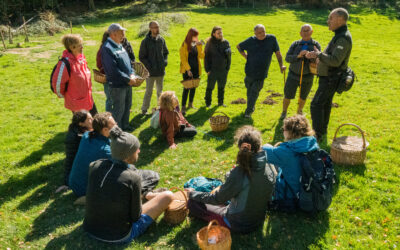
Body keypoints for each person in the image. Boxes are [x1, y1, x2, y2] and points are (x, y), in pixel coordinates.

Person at [83, 126, 173, 243]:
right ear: (127, 155)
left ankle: (147, 195)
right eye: (136, 149)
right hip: (119, 236)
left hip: (90, 228)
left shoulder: (94, 165)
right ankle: (147, 195)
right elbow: (136, 216)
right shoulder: (132, 177)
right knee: (168, 196)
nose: (139, 151)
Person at [187, 126, 276, 233]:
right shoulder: (269, 164)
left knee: (193, 203)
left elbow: (217, 199)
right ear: (259, 146)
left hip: (238, 223)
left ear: (240, 147)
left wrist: (192, 194)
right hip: (258, 220)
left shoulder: (239, 172)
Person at [307, 8, 353, 142]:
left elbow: (335, 61)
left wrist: (319, 55)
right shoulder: (339, 35)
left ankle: (317, 135)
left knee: (316, 104)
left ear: (340, 20)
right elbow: (331, 57)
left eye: (330, 18)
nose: (328, 21)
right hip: (329, 77)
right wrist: (319, 56)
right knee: (325, 104)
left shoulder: (343, 37)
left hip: (331, 78)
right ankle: (322, 131)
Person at [262, 115, 319, 209]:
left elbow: (264, 151)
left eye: (284, 129)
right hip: (310, 190)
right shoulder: (312, 142)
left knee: (264, 163)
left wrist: (266, 144)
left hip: (291, 196)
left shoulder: (287, 150)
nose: (283, 131)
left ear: (289, 132)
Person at [237, 24, 286, 118]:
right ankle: (251, 106)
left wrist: (281, 65)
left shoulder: (271, 39)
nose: (262, 34)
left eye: (263, 31)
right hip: (249, 70)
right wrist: (245, 56)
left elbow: (278, 53)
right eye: (259, 33)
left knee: (255, 91)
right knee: (250, 91)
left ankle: (248, 111)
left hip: (262, 72)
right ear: (255, 33)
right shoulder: (251, 40)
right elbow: (239, 46)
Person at [68, 112, 116, 197]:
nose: (116, 126)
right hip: (85, 190)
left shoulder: (86, 135)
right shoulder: (105, 151)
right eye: (114, 125)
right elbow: (124, 164)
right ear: (105, 130)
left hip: (75, 185)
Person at [101, 23, 138, 131]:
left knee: (127, 106)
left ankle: (125, 126)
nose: (123, 36)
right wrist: (128, 79)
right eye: (121, 33)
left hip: (127, 82)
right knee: (118, 109)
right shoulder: (107, 48)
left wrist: (132, 74)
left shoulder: (119, 45)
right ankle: (116, 131)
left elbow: (129, 62)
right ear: (113, 34)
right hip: (117, 86)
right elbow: (113, 70)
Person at [280, 24, 321, 119]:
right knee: (287, 95)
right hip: (293, 75)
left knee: (303, 96)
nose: (305, 32)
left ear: (312, 32)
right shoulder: (295, 44)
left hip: (308, 76)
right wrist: (298, 56)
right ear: (300, 33)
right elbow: (287, 58)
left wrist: (313, 56)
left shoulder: (316, 45)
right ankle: (284, 112)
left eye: (307, 30)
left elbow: (320, 60)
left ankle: (299, 111)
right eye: (304, 31)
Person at [52, 34, 98, 116]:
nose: (82, 47)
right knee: (84, 125)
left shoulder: (81, 59)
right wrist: (66, 96)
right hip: (77, 102)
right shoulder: (65, 63)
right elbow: (57, 83)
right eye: (80, 45)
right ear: (72, 47)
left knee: (96, 122)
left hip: (88, 98)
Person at [97, 31, 136, 112]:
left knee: (121, 103)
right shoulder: (105, 49)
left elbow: (130, 58)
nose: (122, 37)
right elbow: (100, 64)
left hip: (123, 78)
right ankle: (109, 119)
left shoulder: (122, 45)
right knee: (111, 101)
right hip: (110, 79)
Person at [56, 110, 93, 193]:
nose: (93, 120)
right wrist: (66, 182)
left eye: (91, 117)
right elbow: (70, 159)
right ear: (81, 123)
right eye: (89, 119)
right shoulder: (74, 138)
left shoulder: (86, 129)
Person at [139, 21, 169, 115]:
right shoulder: (145, 41)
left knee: (160, 92)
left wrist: (164, 62)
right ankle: (144, 109)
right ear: (150, 28)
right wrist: (149, 66)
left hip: (160, 71)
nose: (157, 29)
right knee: (149, 91)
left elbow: (166, 52)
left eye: (158, 27)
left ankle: (161, 109)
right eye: (155, 27)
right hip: (150, 72)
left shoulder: (161, 40)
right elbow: (142, 56)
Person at [204, 26, 231, 107]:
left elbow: (229, 57)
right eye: (218, 33)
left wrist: (227, 68)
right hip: (212, 70)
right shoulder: (209, 43)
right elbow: (206, 57)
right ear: (213, 34)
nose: (220, 34)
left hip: (223, 70)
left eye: (221, 32)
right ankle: (208, 103)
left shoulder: (226, 42)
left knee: (221, 87)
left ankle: (220, 102)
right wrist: (207, 70)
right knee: (210, 87)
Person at [179, 28, 205, 115]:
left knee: (194, 86)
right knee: (187, 88)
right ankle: (183, 106)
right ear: (191, 36)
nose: (197, 37)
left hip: (196, 68)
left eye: (197, 36)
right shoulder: (184, 45)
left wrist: (201, 45)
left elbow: (201, 56)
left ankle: (190, 104)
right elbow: (183, 59)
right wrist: (188, 70)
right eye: (195, 36)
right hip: (187, 69)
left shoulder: (195, 44)